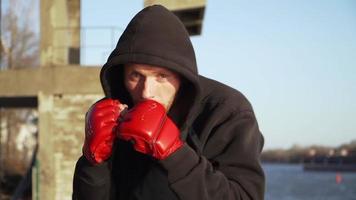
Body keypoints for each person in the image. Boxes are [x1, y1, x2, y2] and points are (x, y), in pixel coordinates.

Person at [73, 4, 265, 200]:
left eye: (161, 76)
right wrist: (93, 163)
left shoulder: (226, 111)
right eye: (135, 75)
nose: (147, 92)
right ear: (121, 74)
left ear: (181, 75)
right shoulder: (115, 114)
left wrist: (175, 154)